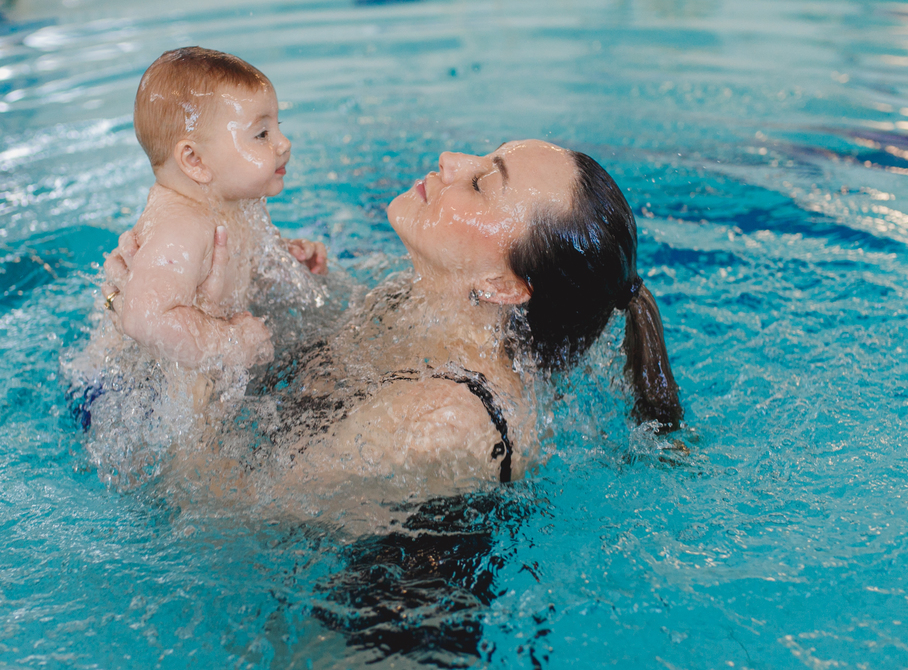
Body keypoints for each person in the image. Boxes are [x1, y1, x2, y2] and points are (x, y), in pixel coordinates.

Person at [102, 139, 683, 490]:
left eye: (481, 182)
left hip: (372, 632)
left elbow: (213, 515)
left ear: (504, 285)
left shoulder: (447, 420)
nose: (451, 160)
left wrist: (199, 341)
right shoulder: (419, 294)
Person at [108, 46, 327, 371]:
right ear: (194, 161)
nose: (284, 143)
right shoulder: (182, 226)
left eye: (277, 127)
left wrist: (284, 259)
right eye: (262, 134)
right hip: (108, 386)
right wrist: (228, 342)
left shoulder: (237, 203)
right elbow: (143, 319)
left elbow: (239, 267)